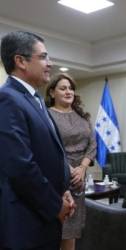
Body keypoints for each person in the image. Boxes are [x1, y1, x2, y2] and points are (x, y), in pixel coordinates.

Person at [0, 31, 75, 250]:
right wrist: (55, 205)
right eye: (43, 57)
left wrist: (63, 189)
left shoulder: (35, 99)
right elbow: (20, 166)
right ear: (20, 61)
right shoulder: (7, 99)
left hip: (43, 217)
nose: (49, 63)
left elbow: (50, 153)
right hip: (26, 221)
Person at [45, 73, 96, 250]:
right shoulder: (46, 116)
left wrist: (82, 168)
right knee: (57, 228)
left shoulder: (83, 116)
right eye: (63, 88)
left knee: (73, 230)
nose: (68, 91)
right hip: (58, 177)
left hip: (79, 180)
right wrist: (69, 170)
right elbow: (48, 147)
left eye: (71, 88)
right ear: (52, 93)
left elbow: (92, 144)